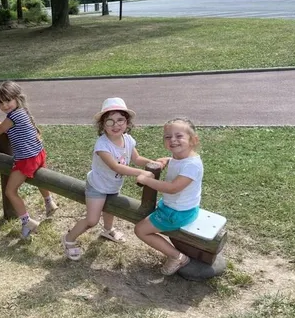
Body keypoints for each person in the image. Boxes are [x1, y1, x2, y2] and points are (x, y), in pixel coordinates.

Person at [61, 97, 161, 261]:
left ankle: (108, 230)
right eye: (110, 121)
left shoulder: (128, 139)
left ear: (127, 122)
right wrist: (141, 174)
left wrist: (151, 163)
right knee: (92, 220)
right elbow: (116, 167)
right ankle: (68, 239)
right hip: (98, 186)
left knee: (109, 209)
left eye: (120, 120)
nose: (116, 125)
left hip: (113, 185)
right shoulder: (102, 145)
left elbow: (137, 158)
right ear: (102, 125)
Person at [0, 81, 58, 238]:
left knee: (10, 191)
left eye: (8, 100)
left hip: (27, 159)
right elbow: (4, 129)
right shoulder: (22, 112)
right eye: (0, 102)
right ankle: (48, 201)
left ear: (17, 98)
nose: (5, 105)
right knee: (40, 180)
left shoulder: (13, 116)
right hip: (38, 154)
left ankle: (27, 222)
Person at [134, 117, 202, 275]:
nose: (173, 140)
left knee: (140, 230)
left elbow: (173, 188)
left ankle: (177, 257)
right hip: (176, 207)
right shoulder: (182, 158)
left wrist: (147, 180)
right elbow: (174, 161)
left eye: (179, 136)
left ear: (193, 140)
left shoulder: (191, 166)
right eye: (168, 137)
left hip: (177, 213)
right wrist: (165, 161)